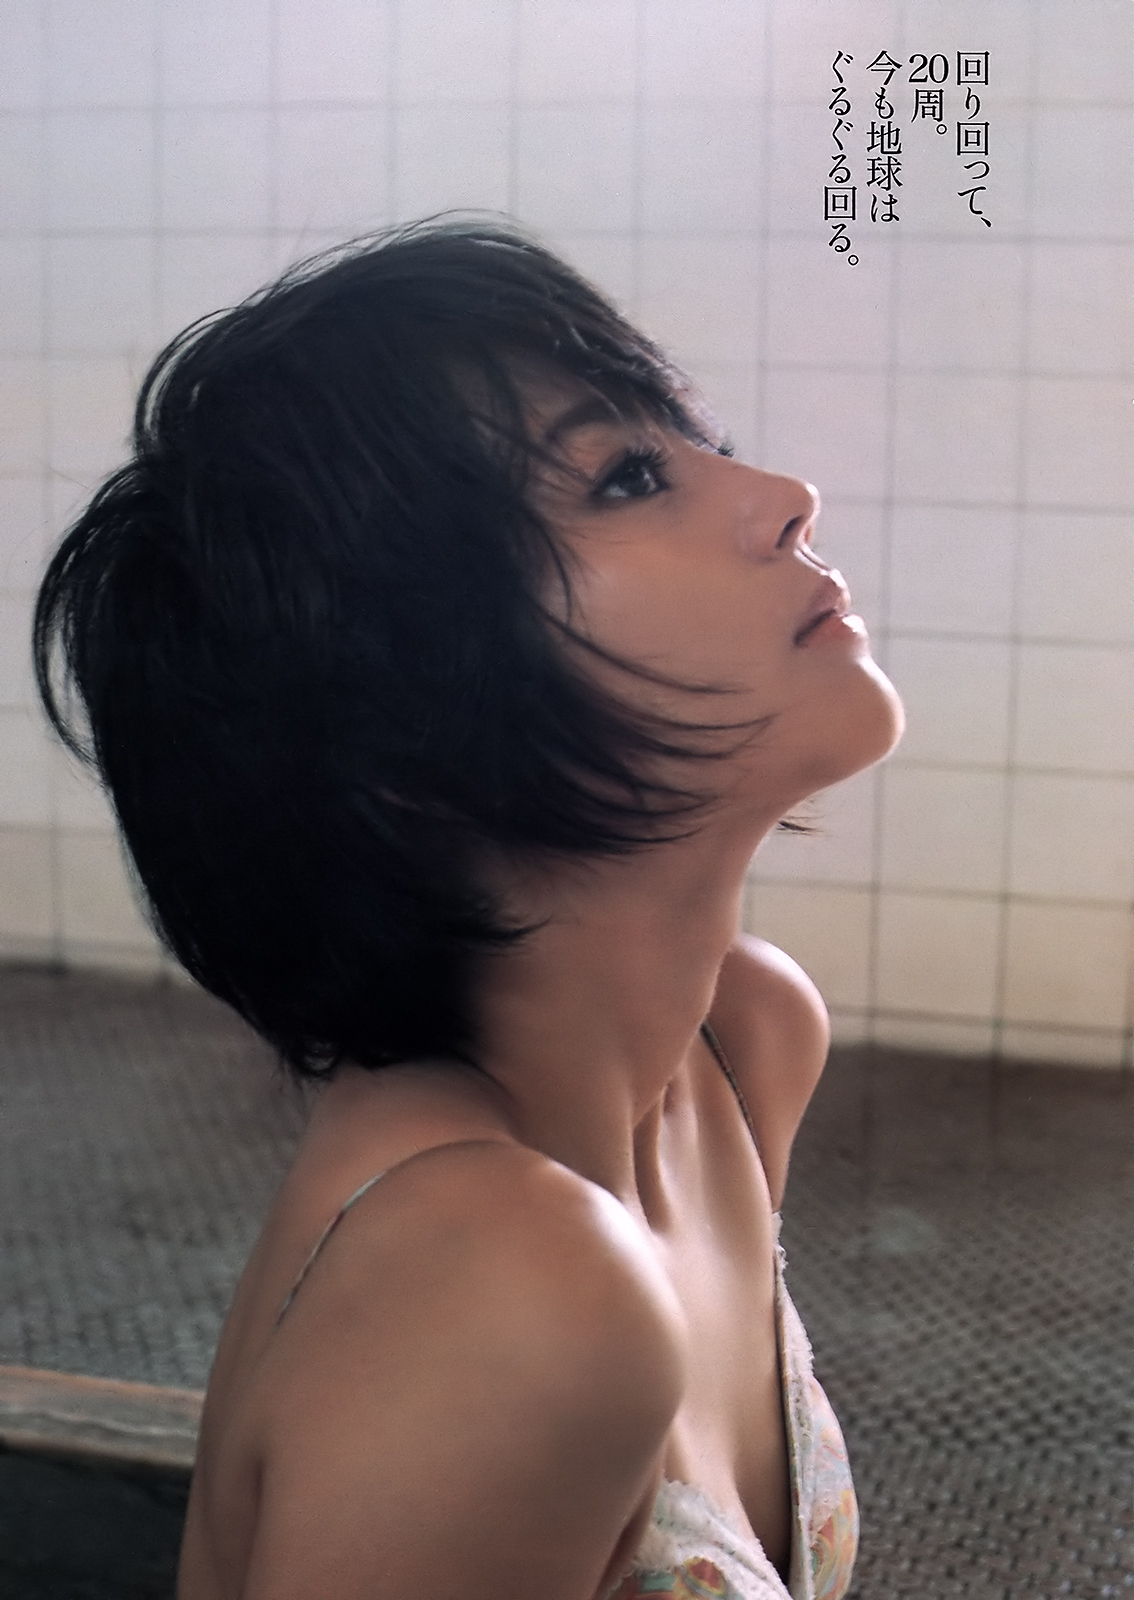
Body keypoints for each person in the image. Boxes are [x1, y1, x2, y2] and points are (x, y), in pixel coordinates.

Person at [34, 219, 902, 1600]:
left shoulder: (742, 1045)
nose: (787, 497)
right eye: (625, 477)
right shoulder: (503, 1283)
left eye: (698, 446)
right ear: (402, 731)